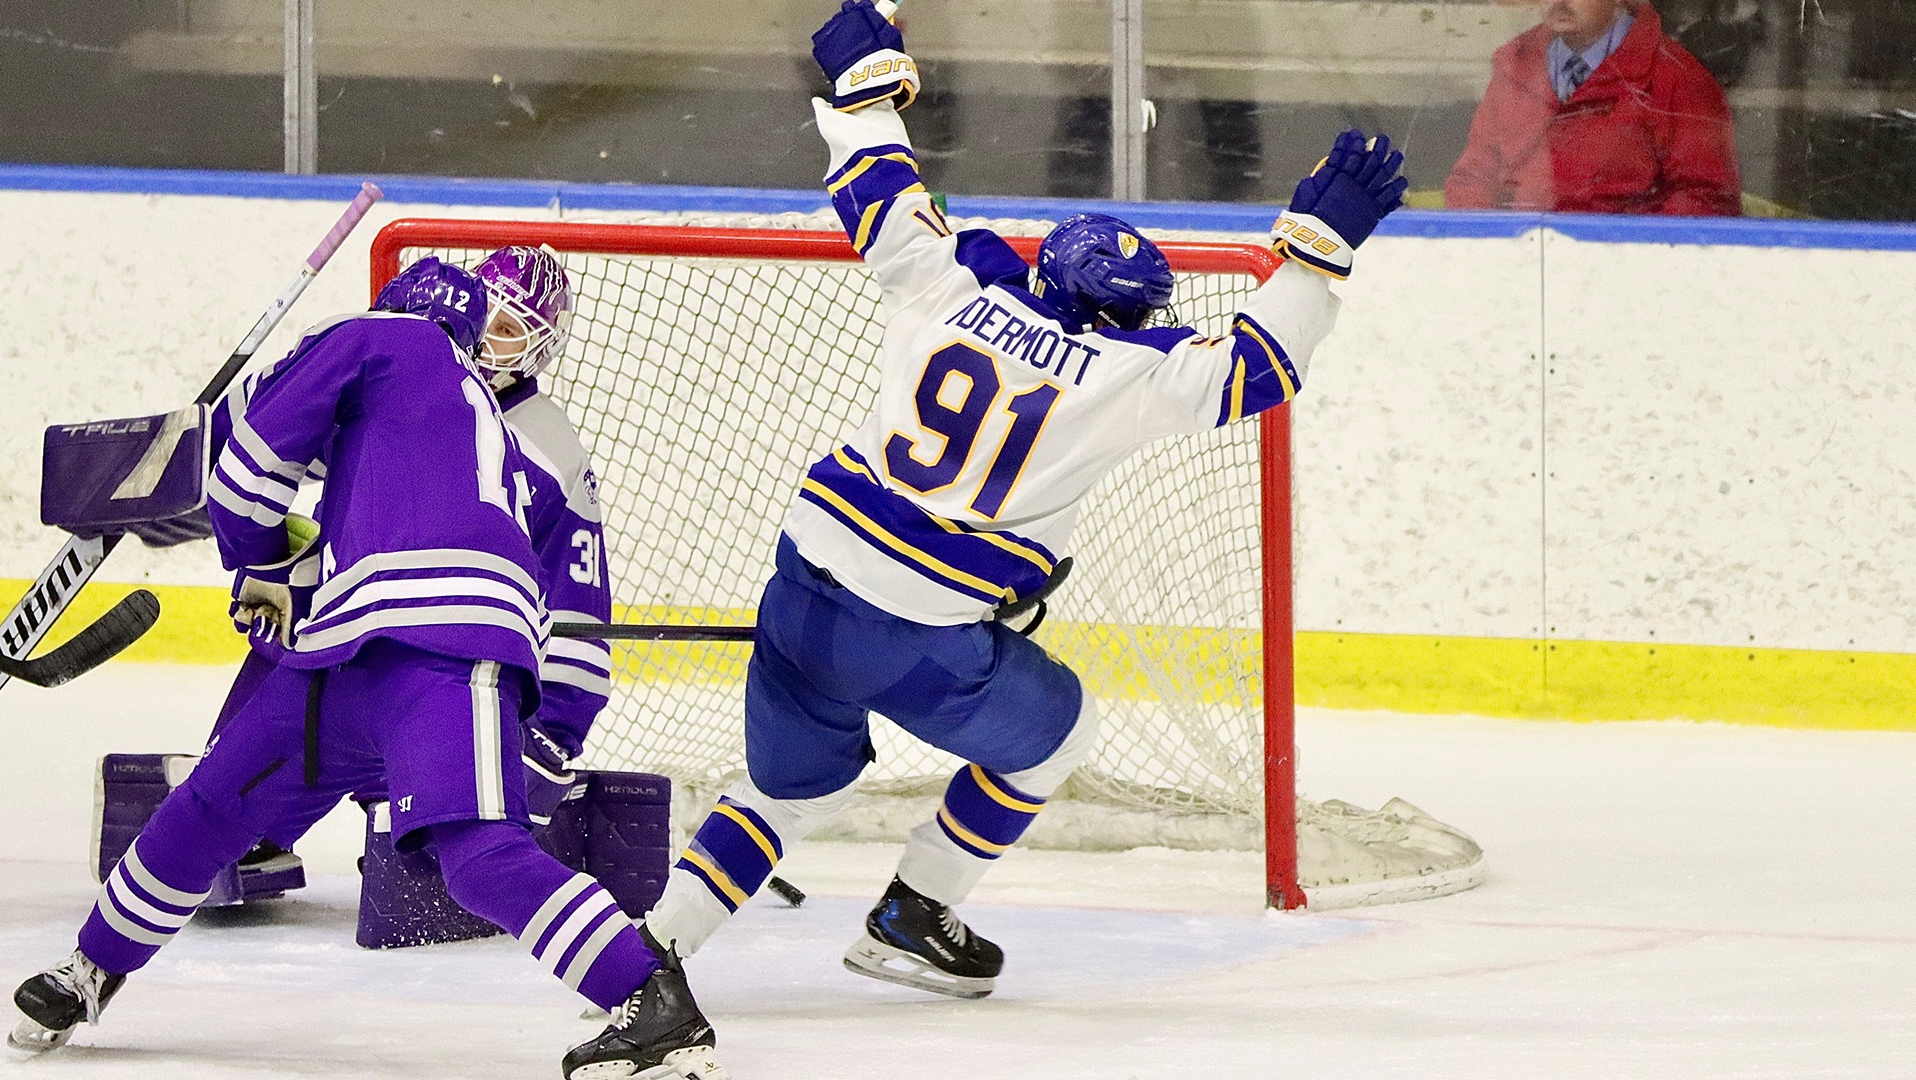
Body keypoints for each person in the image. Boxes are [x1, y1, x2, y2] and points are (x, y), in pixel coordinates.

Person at [640, 0, 1405, 1000]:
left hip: (801, 585)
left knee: (784, 797)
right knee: (1063, 733)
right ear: (1127, 314)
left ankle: (645, 956)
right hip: (918, 631)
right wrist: (1315, 250)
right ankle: (918, 908)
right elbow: (1257, 367)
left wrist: (866, 85)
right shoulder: (1122, 374)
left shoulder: (952, 284)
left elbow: (876, 185)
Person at [9, 258, 725, 1080]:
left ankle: (655, 1003)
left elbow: (242, 475)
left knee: (469, 851)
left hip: (436, 646)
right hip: (366, 649)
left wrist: (259, 560)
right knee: (212, 802)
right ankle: (90, 970)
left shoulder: (377, 340)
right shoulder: (473, 412)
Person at [179, 244, 612, 902]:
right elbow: (275, 434)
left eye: (511, 331)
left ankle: (453, 832)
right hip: (362, 646)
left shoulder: (548, 449)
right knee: (294, 634)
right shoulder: (408, 379)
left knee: (462, 827)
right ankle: (256, 822)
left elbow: (575, 598)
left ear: (538, 349)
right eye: (488, 320)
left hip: (467, 672)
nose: (490, 346)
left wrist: (553, 727)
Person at [1444, 0, 1740, 216]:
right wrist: (1488, 255)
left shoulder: (1678, 79)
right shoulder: (1515, 66)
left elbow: (1707, 201)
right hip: (1522, 271)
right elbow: (1473, 178)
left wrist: (1621, 260)